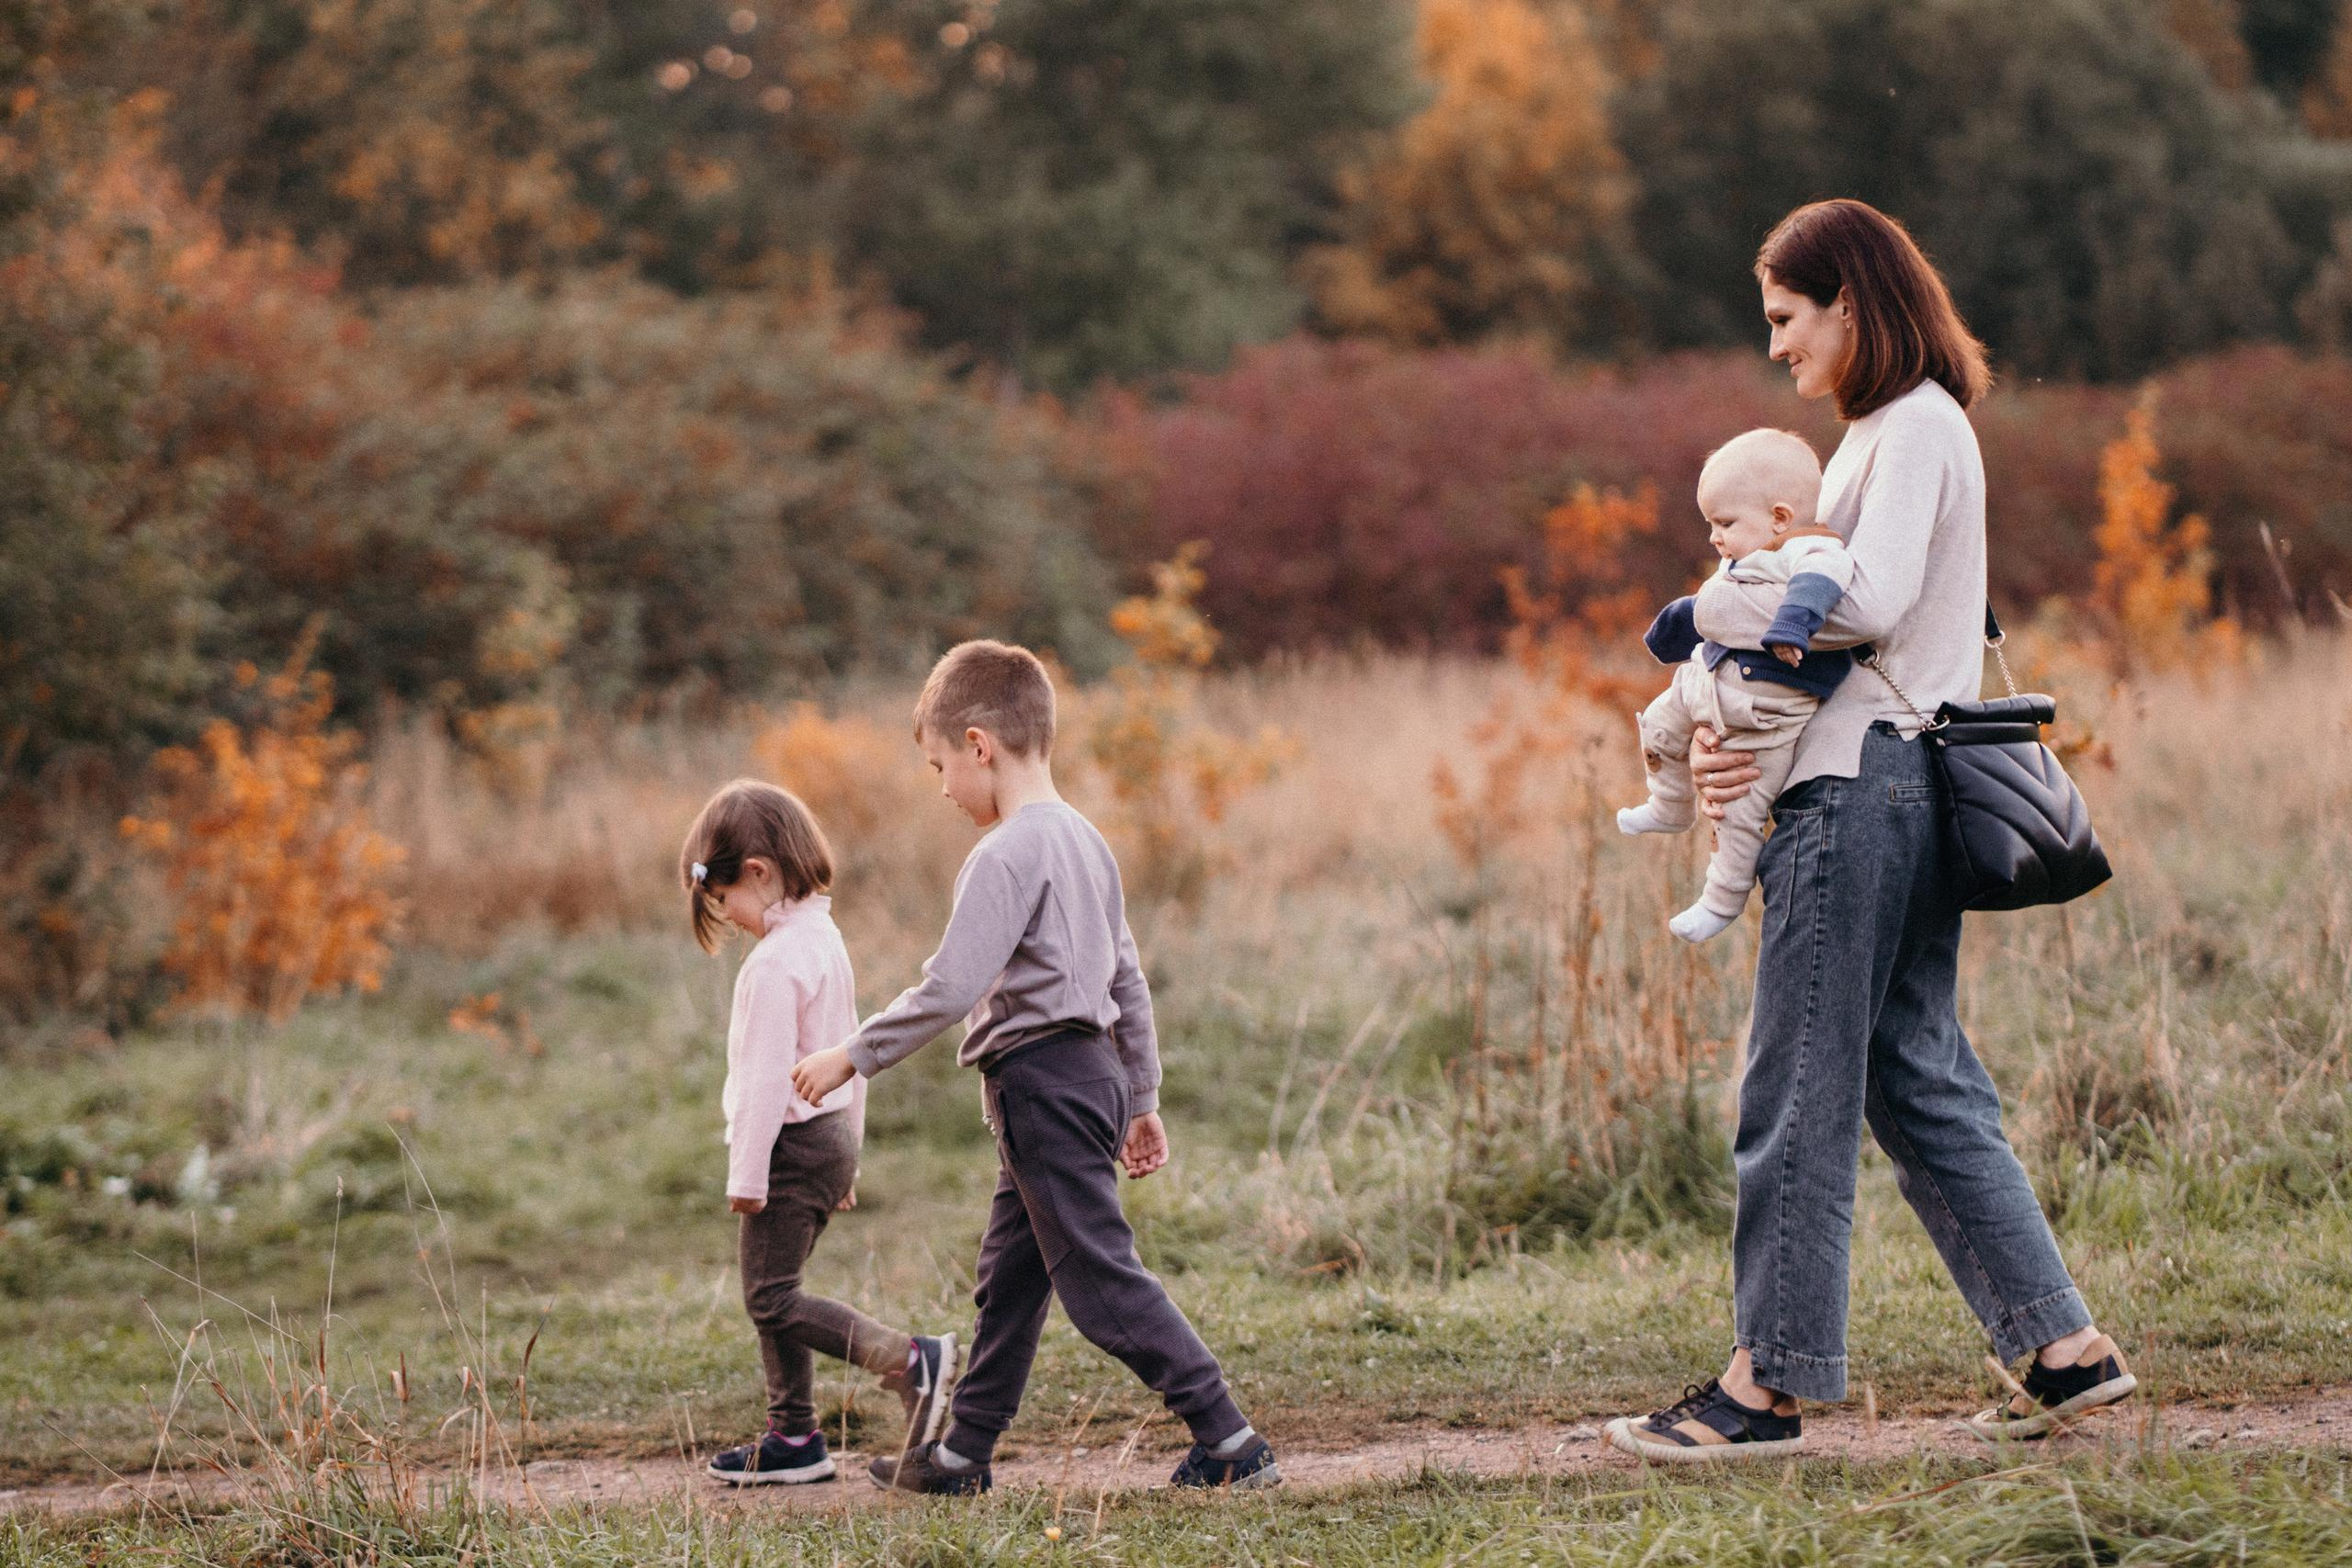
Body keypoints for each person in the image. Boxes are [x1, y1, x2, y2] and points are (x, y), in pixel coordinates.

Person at [1605, 199, 2135, 1463]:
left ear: (1851, 301)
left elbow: (1870, 598)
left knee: (1796, 1078)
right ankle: (2064, 1350)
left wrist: (1724, 619)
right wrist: (1738, 714)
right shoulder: (1878, 445)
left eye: (1789, 319)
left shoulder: (1916, 427)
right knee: (1916, 1069)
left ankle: (1763, 1387)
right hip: (1881, 782)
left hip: (1859, 798)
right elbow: (1849, 626)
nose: (1779, 348)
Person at [790, 639, 1280, 1495]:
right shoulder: (1087, 841)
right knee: (1010, 1280)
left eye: (941, 765)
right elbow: (1127, 977)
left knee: (1096, 1274)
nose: (942, 788)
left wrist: (851, 1057)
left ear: (980, 744)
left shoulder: (1006, 852)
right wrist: (1142, 1092)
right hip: (1088, 1077)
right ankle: (960, 1453)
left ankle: (1228, 1436)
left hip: (1044, 1085)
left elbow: (948, 989)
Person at [680, 780, 959, 1485]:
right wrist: (850, 1154)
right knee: (776, 1288)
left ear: (759, 873)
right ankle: (795, 1439)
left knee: (770, 1297)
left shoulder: (773, 965)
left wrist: (745, 1177)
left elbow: (764, 1083)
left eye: (726, 901)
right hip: (828, 1139)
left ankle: (908, 1360)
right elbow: (853, 1052)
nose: (731, 917)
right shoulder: (823, 940)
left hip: (788, 1146)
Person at [1620, 428, 1855, 942]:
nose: (1714, 536)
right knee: (1658, 726)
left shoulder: (1810, 547)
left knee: (1738, 810)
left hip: (1762, 714)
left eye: (1724, 522)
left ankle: (1722, 900)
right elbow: (1713, 610)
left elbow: (1823, 582)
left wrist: (1793, 624)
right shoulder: (1748, 555)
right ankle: (1669, 804)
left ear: (1778, 517)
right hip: (1708, 680)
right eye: (1710, 523)